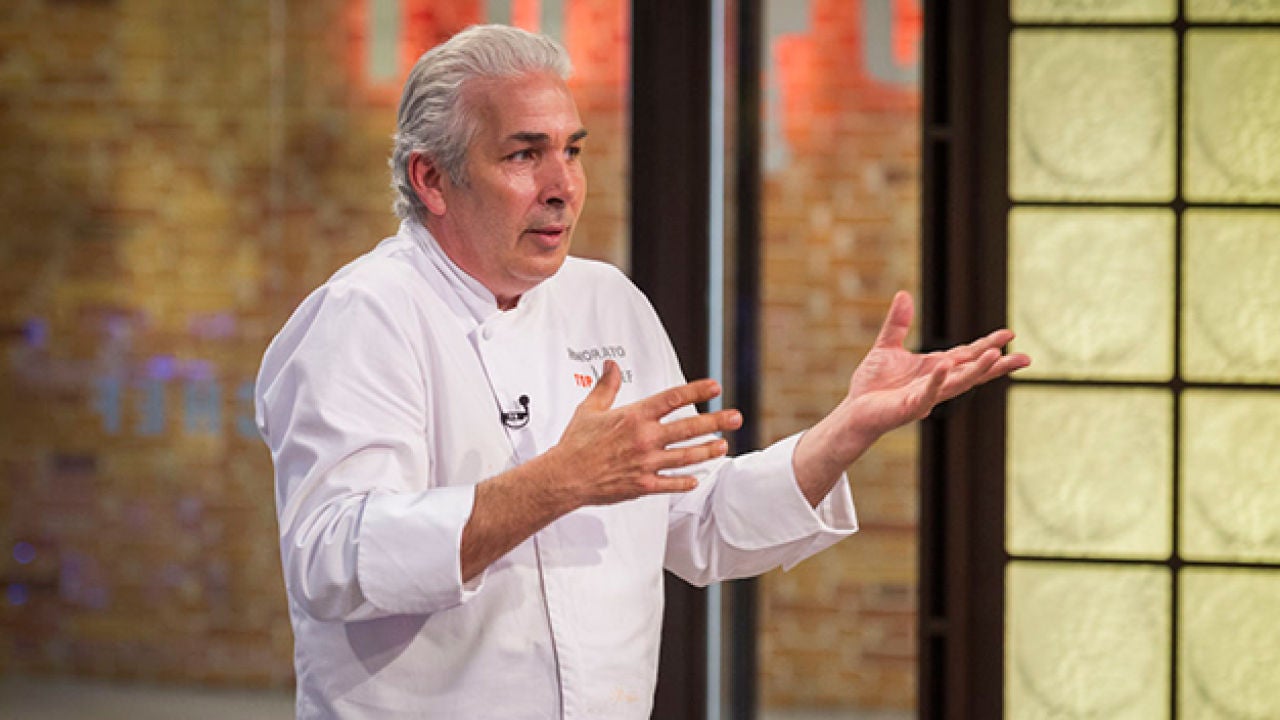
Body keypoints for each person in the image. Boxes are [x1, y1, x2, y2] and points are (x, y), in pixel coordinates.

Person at [254, 24, 1028, 720]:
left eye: (572, 150)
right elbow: (332, 560)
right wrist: (560, 481)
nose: (562, 186)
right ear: (431, 180)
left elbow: (700, 520)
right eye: (524, 154)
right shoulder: (365, 316)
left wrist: (847, 429)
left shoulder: (607, 302)